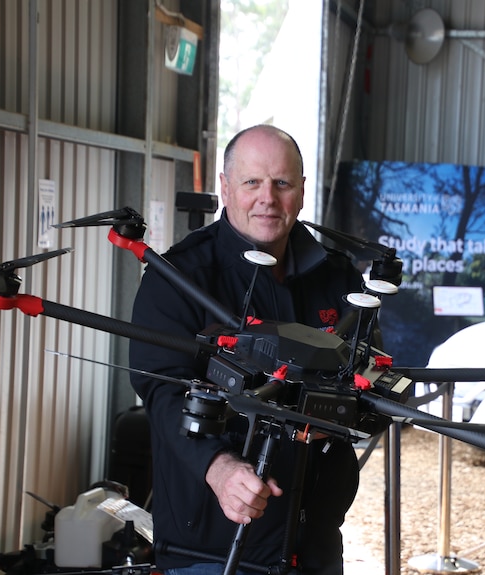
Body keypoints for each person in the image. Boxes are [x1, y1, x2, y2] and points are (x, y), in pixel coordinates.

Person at [128, 125, 368, 575]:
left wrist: (336, 415)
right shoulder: (180, 276)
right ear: (224, 187)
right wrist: (217, 468)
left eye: (281, 183)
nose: (268, 198)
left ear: (301, 190)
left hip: (313, 542)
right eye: (252, 182)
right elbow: (161, 388)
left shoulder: (339, 280)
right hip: (212, 546)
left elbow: (368, 377)